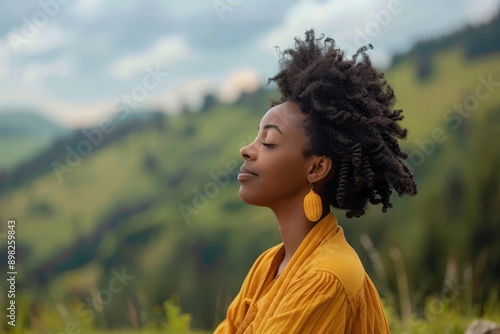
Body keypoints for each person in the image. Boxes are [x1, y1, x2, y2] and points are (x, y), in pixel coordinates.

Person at [214, 29, 417, 334]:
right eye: (255, 138)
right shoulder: (268, 265)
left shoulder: (327, 278)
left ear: (317, 168)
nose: (246, 150)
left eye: (268, 141)